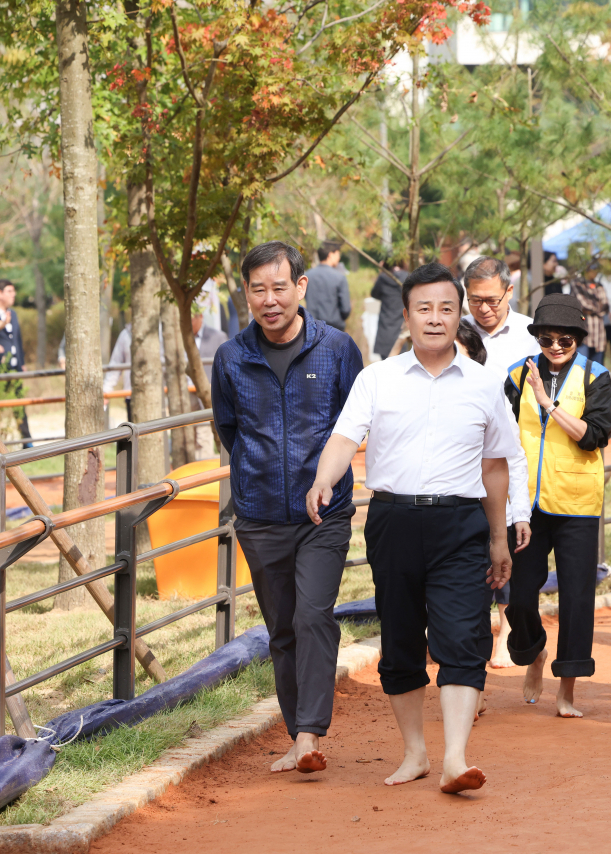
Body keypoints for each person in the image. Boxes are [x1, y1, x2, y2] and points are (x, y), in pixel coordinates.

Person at [307, 261, 517, 794]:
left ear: (459, 314)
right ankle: (416, 753)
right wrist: (324, 480)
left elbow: (497, 465)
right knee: (400, 642)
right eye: (424, 308)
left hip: (461, 523)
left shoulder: (486, 385)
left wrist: (500, 536)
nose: (435, 318)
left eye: (447, 308)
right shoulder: (376, 379)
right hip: (394, 520)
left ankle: (455, 757)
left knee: (463, 636)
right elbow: (343, 438)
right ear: (406, 316)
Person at [211, 241, 364, 776]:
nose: (270, 300)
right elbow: (229, 429)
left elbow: (354, 422)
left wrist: (324, 477)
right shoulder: (231, 357)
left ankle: (307, 736)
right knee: (281, 629)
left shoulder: (338, 349)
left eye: (280, 287)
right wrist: (258, 475)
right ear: (246, 293)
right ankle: (297, 728)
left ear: (301, 287)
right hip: (259, 517)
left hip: (325, 514)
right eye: (259, 289)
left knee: (313, 615)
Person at [503, 294, 611, 718]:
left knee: (576, 598)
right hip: (526, 504)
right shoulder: (516, 376)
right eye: (547, 339)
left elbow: (595, 435)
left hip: (576, 502)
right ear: (536, 337)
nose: (555, 347)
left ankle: (566, 688)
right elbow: (500, 433)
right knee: (519, 594)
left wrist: (548, 404)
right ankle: (532, 652)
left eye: (565, 341)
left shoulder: (596, 376)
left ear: (578, 340)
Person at [461, 256, 539, 670]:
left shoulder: (530, 336)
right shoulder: (455, 331)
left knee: (509, 542)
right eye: (475, 300)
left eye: (492, 300)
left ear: (509, 292)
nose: (484, 309)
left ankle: (508, 630)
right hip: (465, 455)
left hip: (514, 450)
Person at [0, 280, 33, 447]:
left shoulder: (12, 313)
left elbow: (17, 340)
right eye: (9, 291)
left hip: (14, 367)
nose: (13, 294)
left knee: (19, 403)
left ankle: (27, 441)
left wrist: (22, 363)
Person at [191, 311, 228, 458]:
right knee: (190, 436)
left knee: (203, 434)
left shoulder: (217, 336)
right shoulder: (178, 336)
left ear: (200, 316)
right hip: (187, 392)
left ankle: (205, 476)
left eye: (191, 318)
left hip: (210, 391)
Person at [304, 241, 351, 331]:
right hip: (334, 329)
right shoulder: (339, 277)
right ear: (330, 255)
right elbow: (345, 309)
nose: (339, 257)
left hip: (312, 329)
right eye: (337, 254)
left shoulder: (307, 276)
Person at [566, 270, 610, 364]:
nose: (595, 271)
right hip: (583, 334)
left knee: (597, 371)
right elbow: (582, 305)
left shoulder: (599, 285)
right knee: (581, 368)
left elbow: (606, 306)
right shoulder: (577, 284)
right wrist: (598, 307)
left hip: (599, 334)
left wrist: (592, 308)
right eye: (593, 268)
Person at [370, 261, 408, 360]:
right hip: (402, 329)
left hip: (385, 331)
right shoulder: (408, 277)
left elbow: (374, 294)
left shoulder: (383, 278)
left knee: (386, 369)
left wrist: (381, 271)